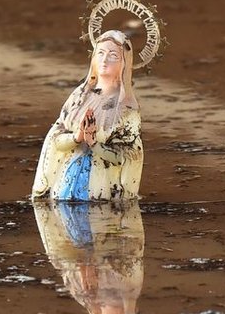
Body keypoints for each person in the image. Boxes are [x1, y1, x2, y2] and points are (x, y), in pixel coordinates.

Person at [32, 29, 143, 201]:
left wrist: (93, 143)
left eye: (113, 55)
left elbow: (127, 156)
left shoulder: (126, 107)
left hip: (101, 190)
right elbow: (55, 138)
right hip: (65, 185)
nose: (104, 60)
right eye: (100, 53)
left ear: (124, 63)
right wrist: (77, 137)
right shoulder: (80, 96)